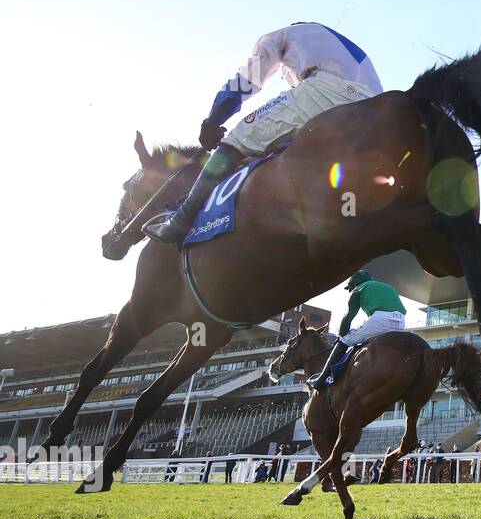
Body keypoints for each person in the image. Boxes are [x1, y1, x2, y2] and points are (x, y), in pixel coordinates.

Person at [145, 22, 383, 244]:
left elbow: (245, 82)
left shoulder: (282, 36)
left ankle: (180, 221)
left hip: (328, 91)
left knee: (236, 141)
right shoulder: (339, 48)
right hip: (373, 111)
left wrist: (213, 120)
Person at [307, 270, 407, 391]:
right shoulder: (388, 287)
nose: (351, 290)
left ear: (354, 284)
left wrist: (342, 334)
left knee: (344, 340)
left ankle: (320, 380)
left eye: (350, 288)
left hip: (380, 320)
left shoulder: (359, 289)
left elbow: (349, 316)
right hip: (401, 322)